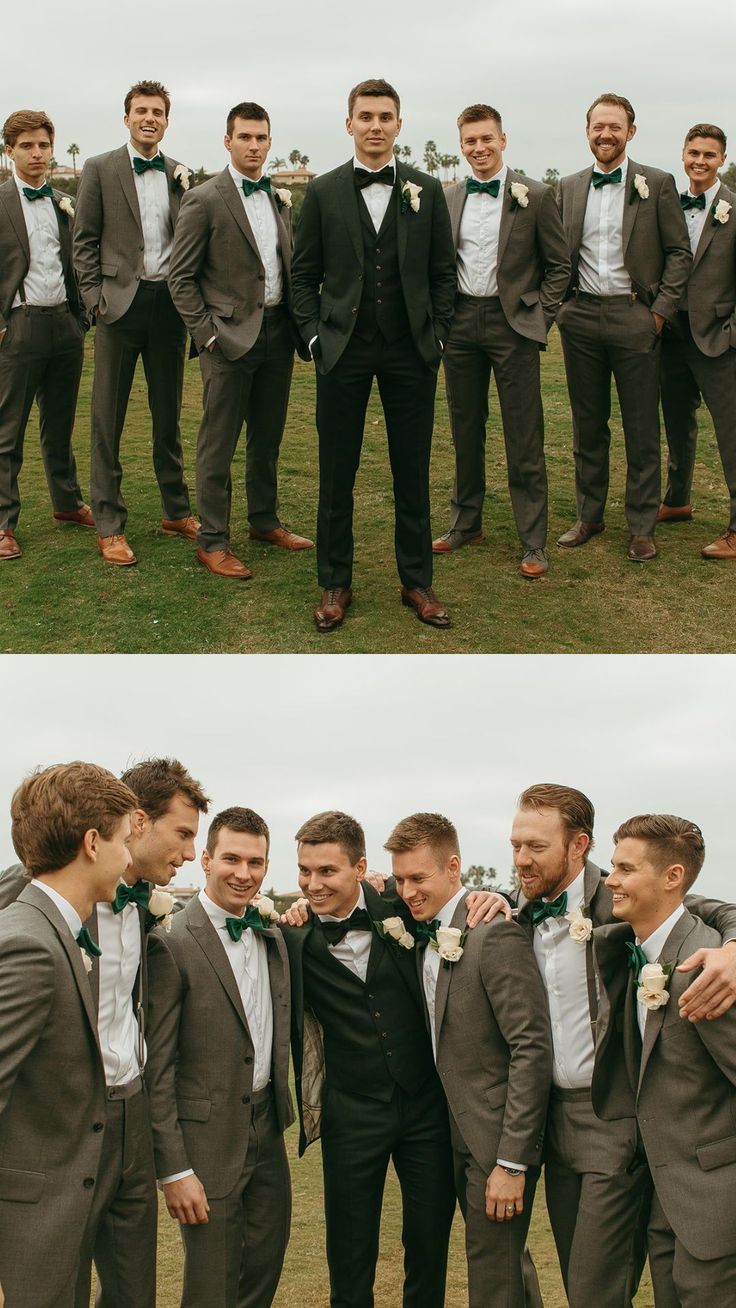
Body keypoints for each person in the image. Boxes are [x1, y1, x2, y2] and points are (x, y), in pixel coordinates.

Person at [504, 783, 736, 1308]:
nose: (521, 858)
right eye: (515, 844)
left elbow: (704, 907)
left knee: (596, 1288)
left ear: (576, 845)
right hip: (568, 1131)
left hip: (656, 1152)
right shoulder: (514, 912)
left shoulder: (690, 953)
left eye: (536, 846)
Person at [0, 755, 209, 1308]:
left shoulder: (146, 907)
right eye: (183, 834)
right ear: (131, 826)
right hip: (58, 1125)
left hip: (130, 1111)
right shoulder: (32, 914)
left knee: (132, 1286)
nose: (188, 853)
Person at [291, 78, 457, 632]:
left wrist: (436, 338)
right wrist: (315, 338)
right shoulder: (323, 192)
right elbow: (304, 276)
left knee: (412, 469)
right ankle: (334, 582)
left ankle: (417, 582)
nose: (376, 125)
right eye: (366, 116)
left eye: (386, 116)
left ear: (399, 125)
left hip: (411, 351)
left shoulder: (426, 190)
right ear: (349, 124)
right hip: (343, 350)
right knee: (337, 471)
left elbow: (441, 274)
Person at [281, 809, 457, 1306]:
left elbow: (455, 907)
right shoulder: (292, 937)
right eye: (305, 871)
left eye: (327, 871)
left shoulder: (403, 907)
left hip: (426, 1107)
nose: (313, 884)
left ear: (360, 868)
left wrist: (491, 897)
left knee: (428, 1242)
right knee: (351, 1250)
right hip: (350, 1112)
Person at [386, 812, 552, 1308]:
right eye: (399, 879)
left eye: (419, 877)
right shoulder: (424, 930)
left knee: (491, 1276)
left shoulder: (492, 933)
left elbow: (531, 1046)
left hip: (494, 1138)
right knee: (507, 1268)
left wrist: (511, 1162)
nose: (408, 890)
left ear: (454, 867)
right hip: (449, 1132)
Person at [0, 762, 138, 1308]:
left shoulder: (56, 928)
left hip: (59, 1220)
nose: (130, 857)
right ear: (91, 843)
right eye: (125, 840)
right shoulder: (28, 944)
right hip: (27, 1236)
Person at [146, 807, 293, 1308]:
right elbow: (157, 1068)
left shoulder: (273, 935)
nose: (243, 873)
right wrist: (174, 1169)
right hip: (205, 1142)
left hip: (268, 1129)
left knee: (265, 1268)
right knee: (211, 1286)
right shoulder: (172, 942)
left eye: (255, 862)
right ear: (205, 860)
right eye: (231, 858)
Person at [593, 815, 736, 1306]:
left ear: (673, 877)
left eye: (625, 869)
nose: (610, 879)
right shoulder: (628, 948)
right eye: (612, 867)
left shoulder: (709, 965)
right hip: (663, 1203)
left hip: (716, 1205)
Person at [168, 100, 313, 579]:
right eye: (245, 137)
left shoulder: (277, 197)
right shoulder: (205, 199)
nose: (254, 145)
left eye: (262, 137)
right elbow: (180, 278)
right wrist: (207, 336)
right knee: (218, 444)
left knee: (267, 438)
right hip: (227, 340)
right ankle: (212, 541)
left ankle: (264, 520)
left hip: (276, 332)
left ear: (270, 142)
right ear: (227, 141)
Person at [433, 104, 570, 578]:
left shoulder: (535, 194)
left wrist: (539, 318)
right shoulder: (448, 196)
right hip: (462, 324)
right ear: (462, 145)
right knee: (464, 427)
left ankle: (533, 540)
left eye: (486, 139)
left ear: (503, 139)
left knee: (524, 433)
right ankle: (466, 522)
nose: (479, 148)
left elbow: (559, 267)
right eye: (470, 141)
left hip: (514, 324)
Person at [556, 93, 691, 562]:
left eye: (615, 126)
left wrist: (659, 312)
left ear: (630, 132)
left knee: (640, 426)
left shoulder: (657, 182)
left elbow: (679, 253)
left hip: (636, 317)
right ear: (587, 131)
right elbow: (556, 256)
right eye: (598, 126)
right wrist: (561, 310)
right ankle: (589, 516)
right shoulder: (569, 187)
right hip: (581, 318)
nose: (606, 134)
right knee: (588, 425)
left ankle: (641, 527)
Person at [73, 79, 198, 567]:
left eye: (158, 112)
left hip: (168, 307)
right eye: (141, 110)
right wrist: (94, 300)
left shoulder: (179, 174)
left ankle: (176, 511)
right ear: (126, 118)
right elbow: (83, 240)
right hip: (117, 307)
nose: (150, 118)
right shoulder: (99, 169)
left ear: (167, 121)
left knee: (169, 415)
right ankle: (109, 523)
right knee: (108, 418)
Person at [0, 109, 92, 562]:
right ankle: (3, 524)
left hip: (64, 325)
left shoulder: (62, 201)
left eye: (43, 145)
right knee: (7, 432)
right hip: (19, 327)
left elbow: (75, 263)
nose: (36, 154)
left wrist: (80, 319)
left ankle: (68, 503)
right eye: (26, 146)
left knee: (60, 423)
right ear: (9, 151)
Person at [658, 123, 736, 560]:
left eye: (709, 154)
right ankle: (677, 499)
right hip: (671, 333)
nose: (700, 161)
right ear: (683, 155)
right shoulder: (668, 203)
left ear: (721, 159)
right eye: (693, 153)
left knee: (731, 433)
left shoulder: (733, 208)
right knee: (677, 422)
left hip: (719, 338)